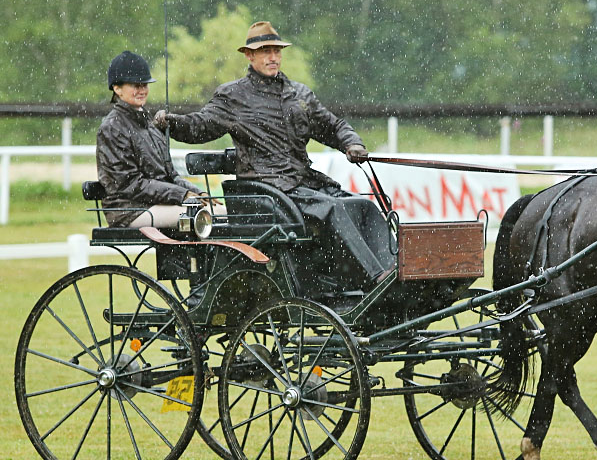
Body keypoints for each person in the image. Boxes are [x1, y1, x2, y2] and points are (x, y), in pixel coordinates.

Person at [153, 21, 392, 285]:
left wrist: (352, 144)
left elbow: (332, 126)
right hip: (268, 190)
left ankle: (395, 270)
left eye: (276, 51)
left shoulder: (299, 95)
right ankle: (375, 278)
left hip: (302, 185)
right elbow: (200, 126)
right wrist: (172, 122)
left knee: (362, 205)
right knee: (334, 209)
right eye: (265, 51)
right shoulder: (233, 96)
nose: (273, 57)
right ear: (249, 55)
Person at [96, 51, 225, 228]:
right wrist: (182, 195)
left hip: (158, 204)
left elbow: (170, 175)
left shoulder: (150, 125)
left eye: (144, 84)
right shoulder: (112, 128)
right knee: (203, 215)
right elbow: (130, 184)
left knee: (221, 212)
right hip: (129, 210)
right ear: (117, 88)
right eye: (135, 85)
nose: (142, 89)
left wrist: (198, 193)